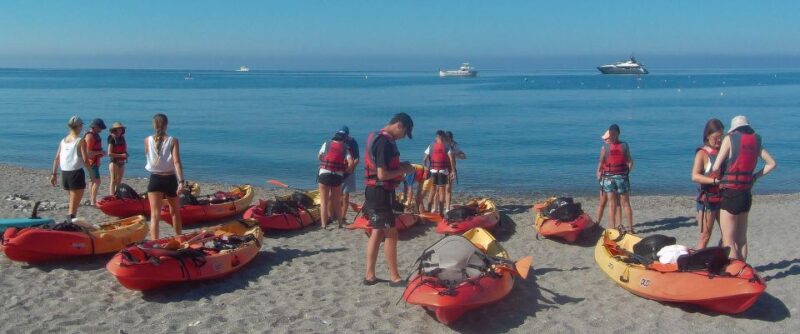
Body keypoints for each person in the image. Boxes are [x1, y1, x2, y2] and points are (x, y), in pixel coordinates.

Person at [712, 116, 776, 260]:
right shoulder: (756, 140)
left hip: (730, 193)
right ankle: (743, 269)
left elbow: (715, 167)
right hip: (746, 193)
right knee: (741, 239)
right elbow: (772, 164)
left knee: (728, 239)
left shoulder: (729, 139)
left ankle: (735, 271)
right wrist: (755, 177)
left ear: (734, 128)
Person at [363, 112, 416, 286]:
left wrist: (401, 165)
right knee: (391, 233)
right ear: (399, 125)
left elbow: (383, 167)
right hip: (380, 193)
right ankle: (394, 277)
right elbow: (382, 174)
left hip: (374, 192)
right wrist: (404, 170)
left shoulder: (377, 137)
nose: (403, 137)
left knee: (377, 232)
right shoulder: (384, 142)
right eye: (404, 133)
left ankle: (369, 275)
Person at [144, 113, 186, 240]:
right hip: (170, 179)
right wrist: (181, 181)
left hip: (155, 179)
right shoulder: (173, 140)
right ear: (166, 125)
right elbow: (177, 162)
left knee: (155, 215)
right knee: (175, 212)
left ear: (153, 125)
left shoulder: (147, 140)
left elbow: (150, 158)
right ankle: (179, 238)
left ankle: (154, 242)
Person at [50, 116, 94, 221]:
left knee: (72, 203)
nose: (82, 127)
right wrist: (92, 174)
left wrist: (54, 174)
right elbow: (85, 160)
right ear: (78, 126)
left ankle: (70, 223)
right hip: (76, 174)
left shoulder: (63, 141)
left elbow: (56, 158)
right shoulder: (80, 141)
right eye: (81, 125)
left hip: (65, 174)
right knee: (73, 208)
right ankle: (69, 225)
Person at [691, 118, 725, 249]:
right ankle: (698, 259)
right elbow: (695, 176)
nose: (719, 140)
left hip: (723, 198)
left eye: (721, 136)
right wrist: (714, 181)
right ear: (708, 136)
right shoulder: (702, 153)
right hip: (708, 201)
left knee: (727, 234)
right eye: (716, 137)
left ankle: (721, 256)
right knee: (705, 235)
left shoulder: (724, 151)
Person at [596, 124, 634, 232]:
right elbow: (630, 162)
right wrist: (626, 173)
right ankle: (630, 228)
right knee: (625, 204)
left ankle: (613, 228)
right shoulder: (624, 145)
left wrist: (599, 173)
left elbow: (601, 162)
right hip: (621, 177)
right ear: (618, 133)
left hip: (609, 178)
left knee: (612, 204)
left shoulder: (605, 147)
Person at [318, 129, 354, 229]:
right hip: (337, 176)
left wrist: (324, 162)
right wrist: (346, 172)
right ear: (343, 139)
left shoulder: (326, 143)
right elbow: (351, 163)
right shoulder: (345, 147)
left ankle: (324, 225)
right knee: (337, 201)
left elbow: (319, 156)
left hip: (324, 173)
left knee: (324, 201)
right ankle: (340, 224)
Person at [423, 130, 457, 216]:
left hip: (432, 170)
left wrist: (426, 168)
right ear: (443, 137)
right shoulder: (446, 146)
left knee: (432, 190)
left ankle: (429, 211)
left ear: (436, 137)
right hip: (443, 171)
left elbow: (425, 158)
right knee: (442, 192)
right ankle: (441, 213)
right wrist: (453, 170)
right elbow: (451, 159)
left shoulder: (431, 145)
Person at [595, 133, 621, 227]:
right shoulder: (605, 148)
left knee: (616, 203)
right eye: (604, 139)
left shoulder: (618, 148)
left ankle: (618, 224)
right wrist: (598, 172)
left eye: (606, 139)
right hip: (605, 176)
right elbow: (601, 162)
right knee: (603, 202)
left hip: (613, 177)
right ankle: (597, 222)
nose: (604, 140)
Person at [339, 126, 360, 223]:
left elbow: (357, 159)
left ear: (347, 135)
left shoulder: (352, 142)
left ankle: (342, 217)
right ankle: (335, 215)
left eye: (344, 135)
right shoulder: (336, 140)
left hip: (349, 170)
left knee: (345, 195)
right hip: (337, 170)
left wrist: (349, 170)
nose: (342, 137)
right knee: (336, 195)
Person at [84, 118, 107, 205]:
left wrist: (100, 154)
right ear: (95, 127)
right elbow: (88, 153)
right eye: (100, 128)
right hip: (91, 163)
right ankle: (93, 201)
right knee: (97, 181)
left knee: (92, 181)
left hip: (95, 162)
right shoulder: (90, 137)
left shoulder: (95, 135)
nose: (101, 129)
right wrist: (100, 152)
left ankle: (91, 199)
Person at [444, 131, 465, 214]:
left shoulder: (455, 145)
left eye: (448, 138)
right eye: (446, 138)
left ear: (451, 138)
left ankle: (447, 208)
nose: (447, 140)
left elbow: (463, 156)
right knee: (439, 189)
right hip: (441, 168)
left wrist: (456, 154)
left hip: (450, 168)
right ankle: (438, 207)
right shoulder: (442, 144)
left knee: (448, 188)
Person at [107, 122, 129, 196]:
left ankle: (117, 195)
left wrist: (126, 154)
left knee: (119, 181)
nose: (120, 130)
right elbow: (109, 153)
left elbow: (124, 150)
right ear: (114, 129)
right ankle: (112, 196)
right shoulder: (111, 138)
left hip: (122, 162)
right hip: (114, 162)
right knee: (113, 180)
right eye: (118, 128)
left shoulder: (122, 138)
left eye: (121, 128)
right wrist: (121, 155)